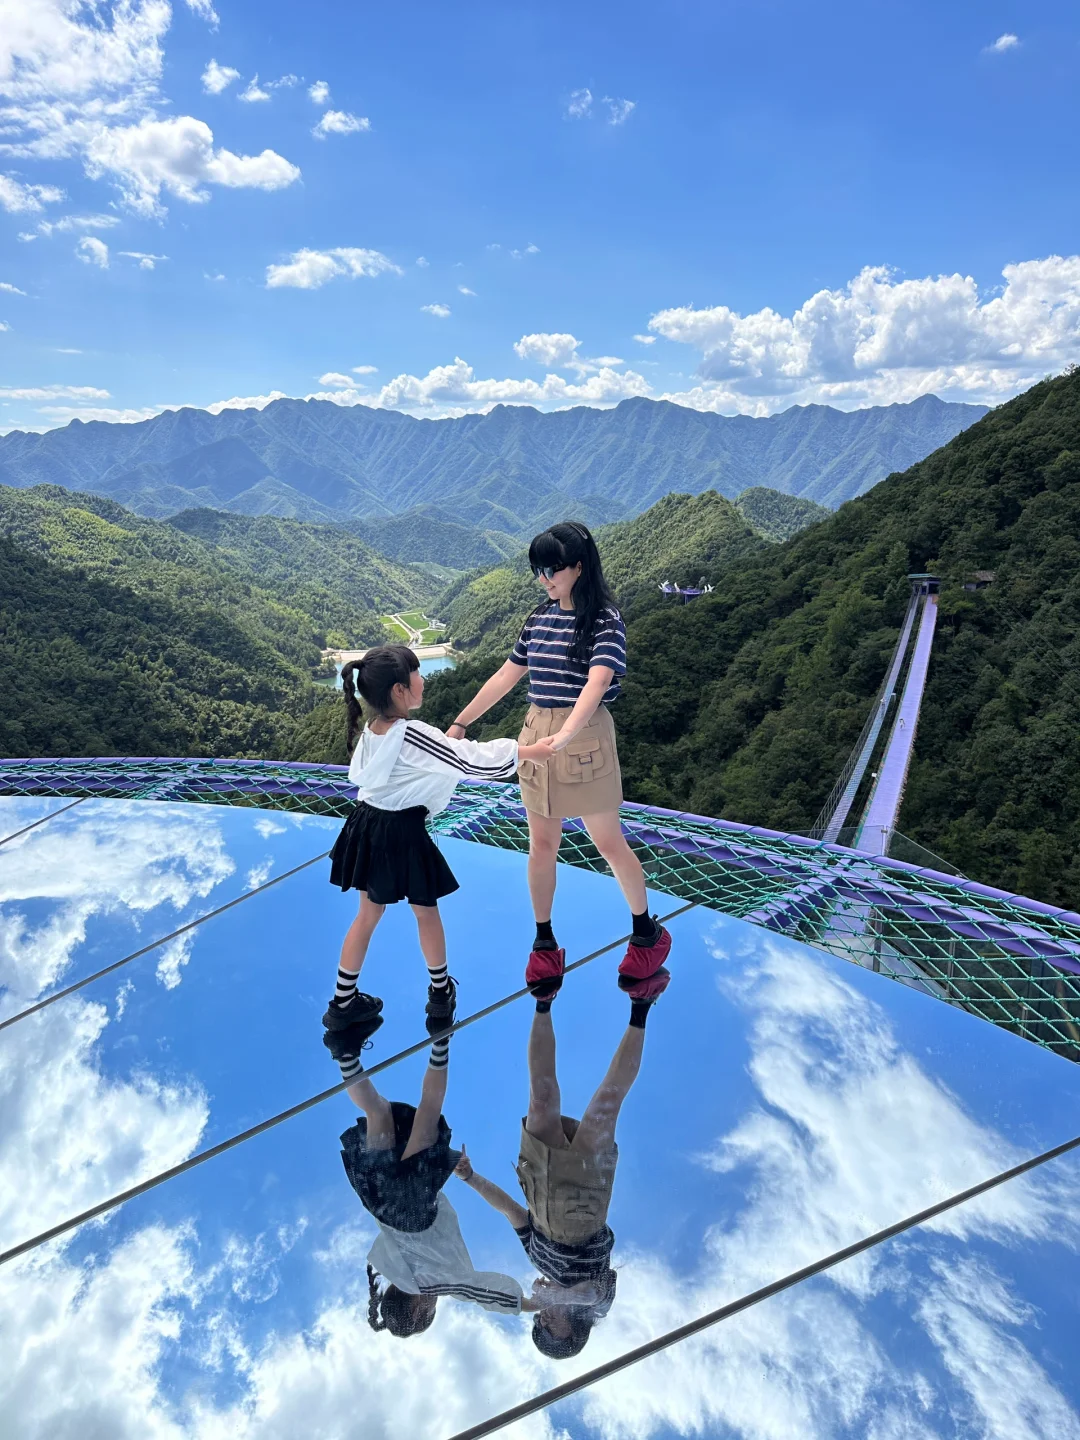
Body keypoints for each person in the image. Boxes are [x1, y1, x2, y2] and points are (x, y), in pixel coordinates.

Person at [443, 522, 671, 996]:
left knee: (608, 842)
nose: (544, 579)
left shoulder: (605, 619)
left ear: (579, 567)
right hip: (536, 733)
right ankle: (544, 943)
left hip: (584, 737)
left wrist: (567, 733)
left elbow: (598, 682)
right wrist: (462, 723)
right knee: (542, 845)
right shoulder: (539, 617)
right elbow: (506, 676)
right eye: (538, 570)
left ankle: (646, 931)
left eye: (552, 569)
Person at [324, 644, 557, 1034]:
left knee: (367, 915)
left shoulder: (375, 729)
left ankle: (342, 1003)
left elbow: (430, 759)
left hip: (365, 824)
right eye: (417, 673)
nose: (423, 679)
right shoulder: (413, 734)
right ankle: (439, 992)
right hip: (403, 831)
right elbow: (467, 759)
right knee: (425, 911)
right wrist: (529, 751)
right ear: (400, 690)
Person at [455, 963, 671, 1358]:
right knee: (606, 1104)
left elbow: (510, 1211)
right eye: (550, 1327)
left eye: (539, 1322)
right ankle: (642, 1005)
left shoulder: (539, 1260)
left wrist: (471, 1178)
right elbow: (592, 1295)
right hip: (583, 1212)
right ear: (572, 1331)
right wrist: (561, 1294)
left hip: (541, 1198)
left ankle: (544, 998)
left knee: (540, 1099)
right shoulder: (597, 1305)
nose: (543, 1318)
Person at [324, 1013, 539, 1336]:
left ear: (418, 1311)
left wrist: (530, 1304)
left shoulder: (431, 1283)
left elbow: (477, 1291)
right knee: (378, 1111)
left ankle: (440, 1036)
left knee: (430, 1110)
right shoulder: (393, 1264)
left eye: (432, 1310)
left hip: (411, 1210)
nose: (436, 1302)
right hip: (377, 1196)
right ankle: (345, 1053)